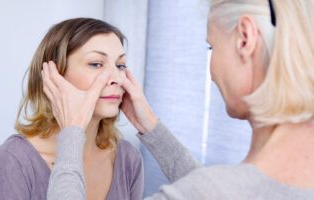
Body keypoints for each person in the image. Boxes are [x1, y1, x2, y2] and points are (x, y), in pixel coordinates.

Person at [44, 0, 314, 199]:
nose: (210, 72)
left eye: (212, 47)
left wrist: (71, 134)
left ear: (245, 38)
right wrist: (151, 127)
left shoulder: (130, 161)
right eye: (95, 64)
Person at [0, 18, 144, 200]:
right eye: (96, 63)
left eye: (120, 65)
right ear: (55, 76)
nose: (118, 78)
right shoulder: (9, 163)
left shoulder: (128, 159)